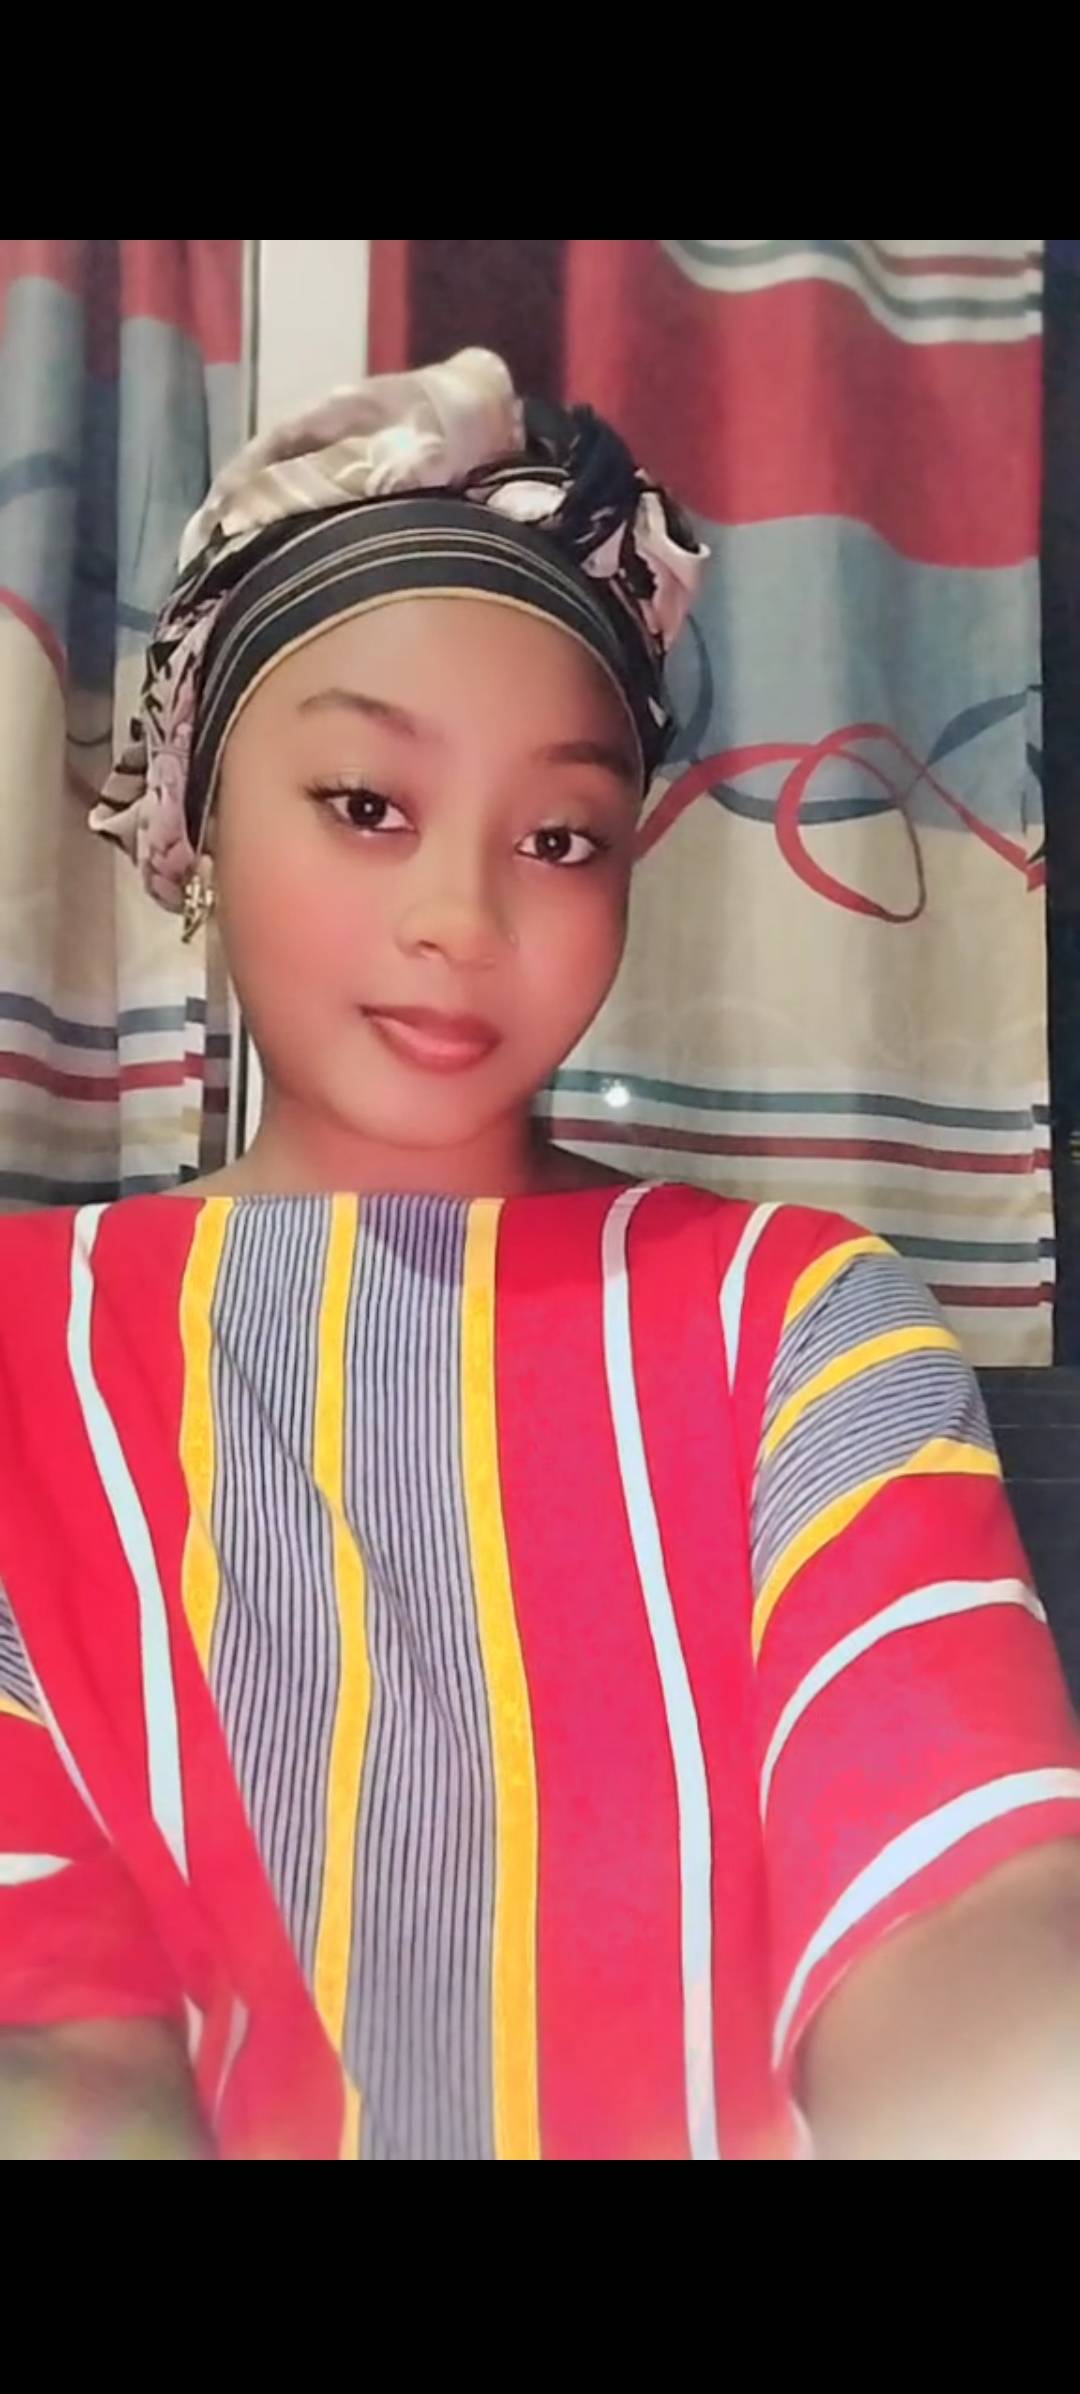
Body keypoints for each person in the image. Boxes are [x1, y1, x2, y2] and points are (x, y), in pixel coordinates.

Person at [1, 350, 1079, 2162]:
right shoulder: (24, 1354)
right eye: (367, 805)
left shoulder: (790, 1315)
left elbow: (960, 1894)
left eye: (560, 836)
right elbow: (53, 2042)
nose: (461, 916)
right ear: (194, 808)